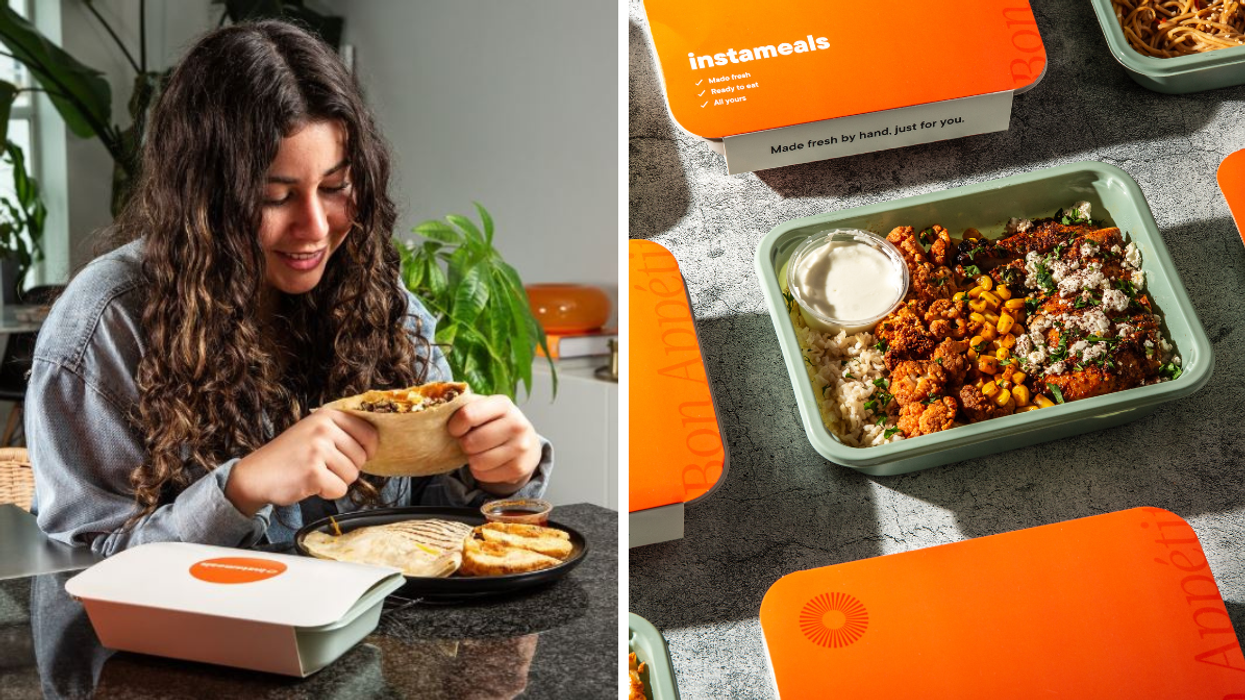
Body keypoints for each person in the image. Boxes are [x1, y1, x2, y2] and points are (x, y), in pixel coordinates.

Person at [26, 21, 552, 556]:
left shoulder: (373, 293)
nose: (316, 228)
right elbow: (76, 570)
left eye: (335, 187)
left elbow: (426, 517)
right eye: (275, 196)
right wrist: (243, 487)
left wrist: (497, 478)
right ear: (204, 199)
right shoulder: (105, 324)